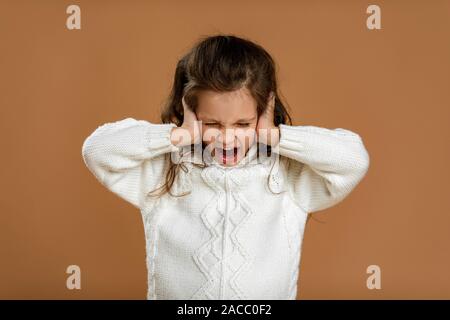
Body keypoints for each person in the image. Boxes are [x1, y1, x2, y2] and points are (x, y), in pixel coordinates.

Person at [81, 34, 370, 300]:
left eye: (243, 124)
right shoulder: (165, 173)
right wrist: (178, 135)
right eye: (212, 124)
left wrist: (276, 136)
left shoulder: (285, 175)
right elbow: (97, 150)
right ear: (188, 113)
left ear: (264, 113)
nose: (228, 137)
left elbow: (354, 159)